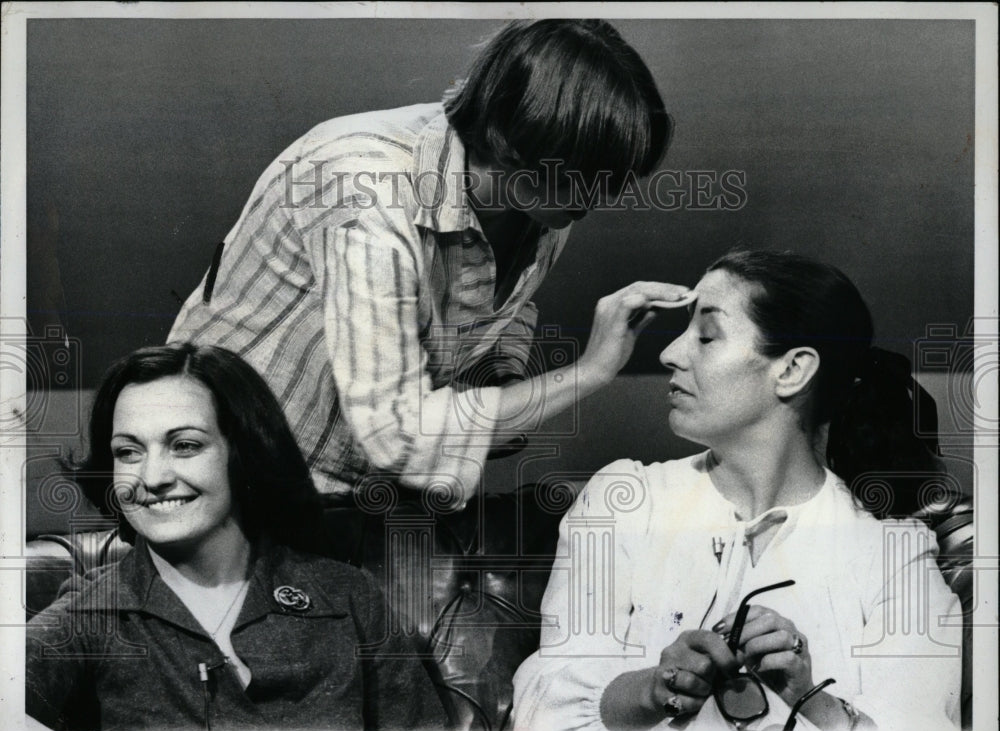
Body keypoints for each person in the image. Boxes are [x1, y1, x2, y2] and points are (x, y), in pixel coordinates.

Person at [167, 19, 684, 511]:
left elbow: (498, 319)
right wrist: (589, 371)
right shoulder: (364, 185)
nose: (605, 196)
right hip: (231, 486)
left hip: (359, 498)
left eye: (616, 178)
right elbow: (398, 436)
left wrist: (505, 390)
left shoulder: (548, 208)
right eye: (588, 173)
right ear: (512, 143)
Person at [511, 250, 962, 731]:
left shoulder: (891, 554)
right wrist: (650, 689)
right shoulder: (625, 501)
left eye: (706, 336)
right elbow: (543, 713)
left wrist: (808, 697)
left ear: (791, 371)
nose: (670, 354)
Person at [25, 343, 448, 731]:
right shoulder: (91, 616)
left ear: (242, 453)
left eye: (185, 445)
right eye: (128, 452)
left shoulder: (349, 598)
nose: (152, 478)